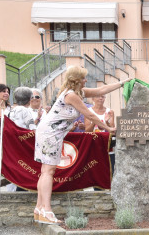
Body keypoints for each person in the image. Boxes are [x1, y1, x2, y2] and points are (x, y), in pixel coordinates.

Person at [34, 66, 127, 224]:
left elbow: (101, 90)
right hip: (50, 134)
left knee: (45, 171)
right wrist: (109, 128)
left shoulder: (78, 93)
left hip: (50, 132)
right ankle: (47, 210)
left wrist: (124, 83)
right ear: (76, 80)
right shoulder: (70, 95)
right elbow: (89, 114)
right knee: (48, 172)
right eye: (83, 78)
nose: (85, 80)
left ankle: (39, 208)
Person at [84, 94, 115, 171]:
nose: (101, 98)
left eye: (103, 96)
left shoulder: (109, 111)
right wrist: (94, 121)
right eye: (98, 96)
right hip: (93, 143)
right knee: (94, 168)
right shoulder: (88, 112)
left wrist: (107, 122)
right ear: (93, 99)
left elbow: (112, 131)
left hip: (106, 143)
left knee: (108, 167)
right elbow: (87, 131)